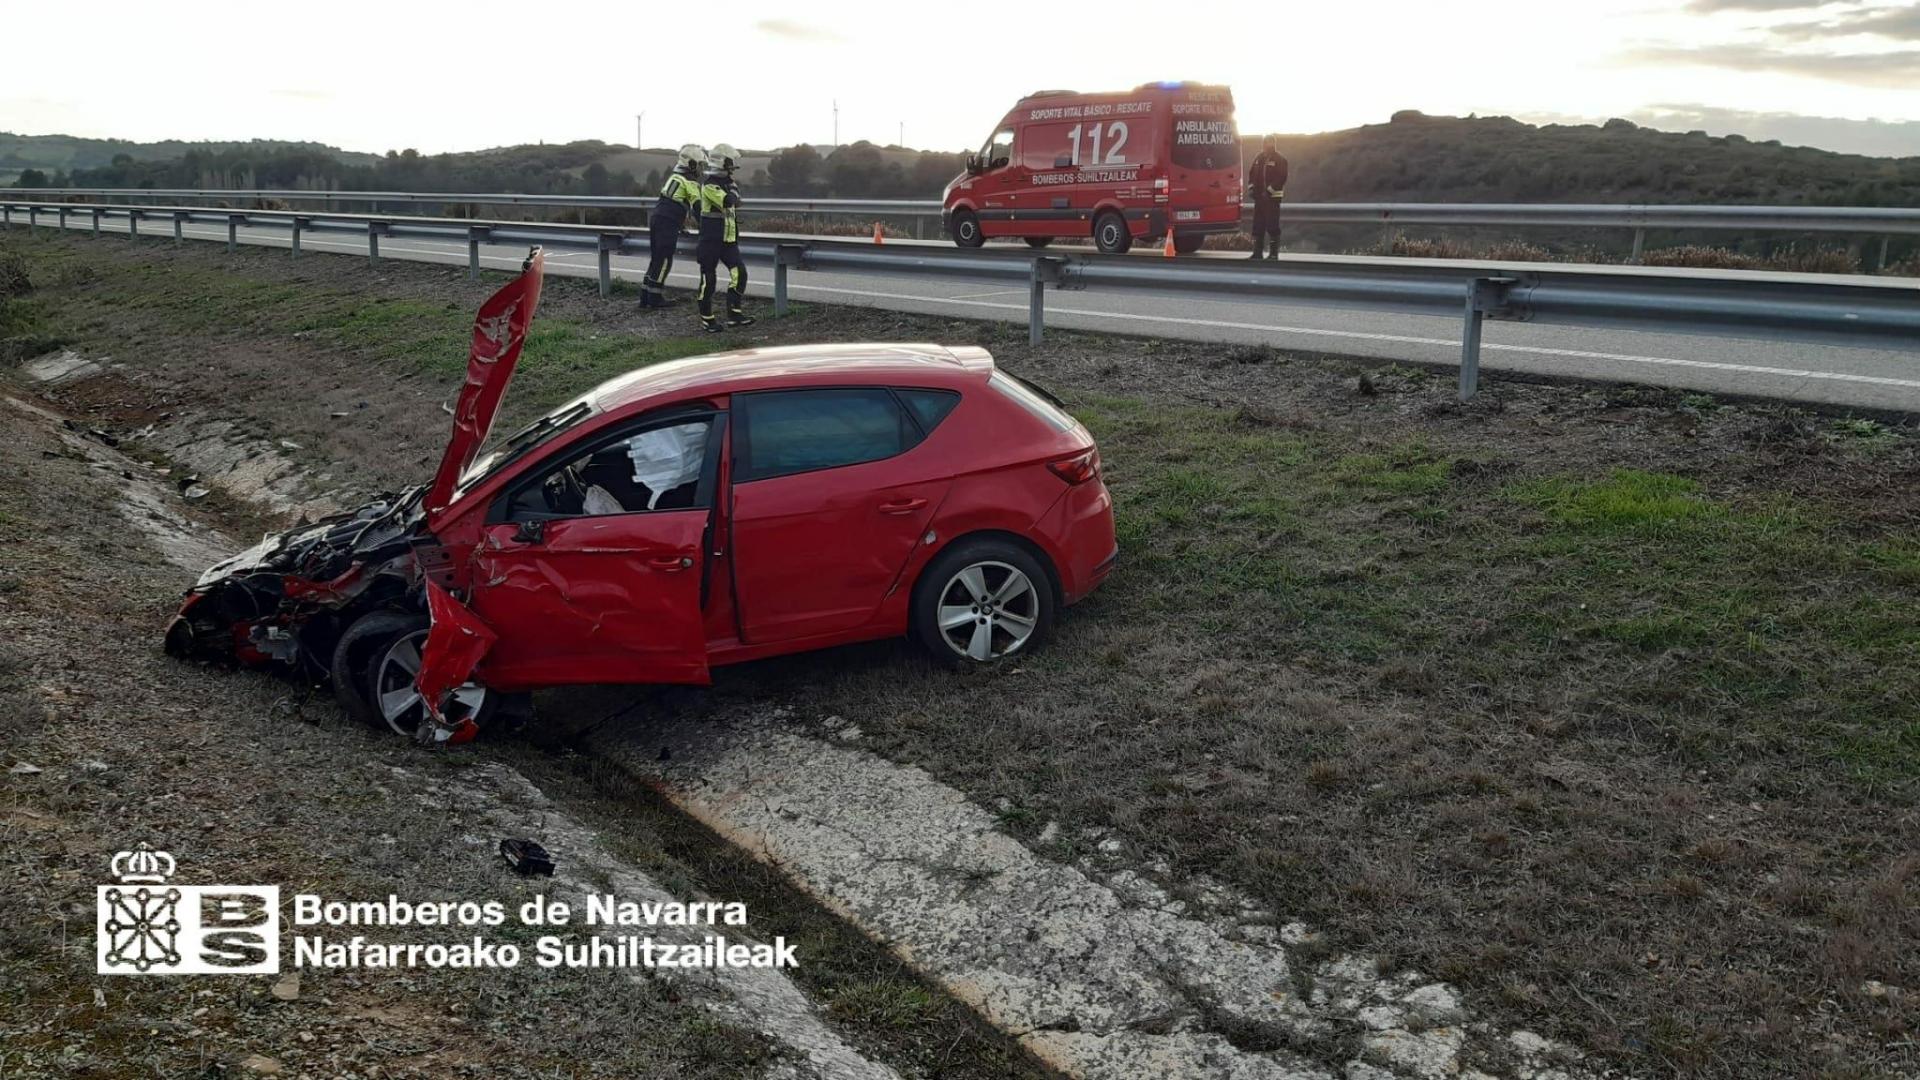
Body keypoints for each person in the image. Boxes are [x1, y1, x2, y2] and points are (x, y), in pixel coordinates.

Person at [695, 143, 753, 332]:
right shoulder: (710, 184)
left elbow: (738, 201)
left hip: (728, 240)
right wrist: (734, 192)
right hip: (710, 240)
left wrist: (733, 192)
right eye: (730, 162)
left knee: (740, 274)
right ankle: (707, 319)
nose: (733, 165)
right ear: (722, 162)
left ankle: (734, 315)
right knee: (708, 280)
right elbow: (729, 200)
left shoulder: (728, 183)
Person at [640, 144, 706, 309]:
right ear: (691, 165)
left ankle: (645, 298)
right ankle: (655, 299)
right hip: (667, 222)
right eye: (699, 165)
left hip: (657, 218)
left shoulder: (674, 177)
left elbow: (672, 201)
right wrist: (706, 228)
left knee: (656, 258)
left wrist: (680, 224)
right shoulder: (690, 182)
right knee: (664, 260)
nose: (700, 169)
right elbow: (698, 208)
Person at [1246, 135, 1289, 260]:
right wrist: (1252, 189)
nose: (1266, 145)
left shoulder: (1279, 159)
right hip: (1259, 198)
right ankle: (1257, 253)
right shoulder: (1259, 158)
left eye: (1269, 143)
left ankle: (1273, 254)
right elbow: (1251, 174)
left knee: (1272, 225)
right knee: (1258, 225)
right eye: (1264, 143)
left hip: (1272, 199)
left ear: (1274, 144)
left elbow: (1281, 177)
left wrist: (1269, 191)